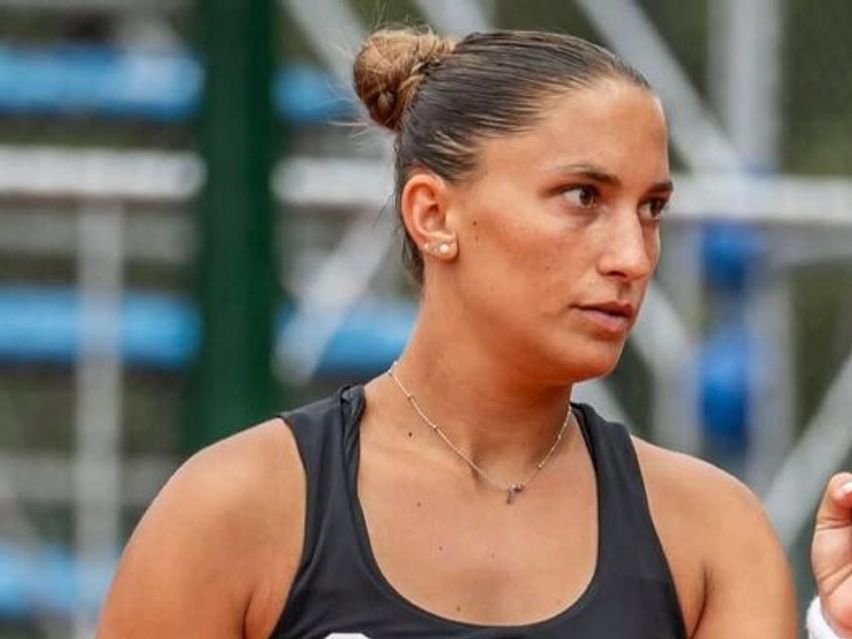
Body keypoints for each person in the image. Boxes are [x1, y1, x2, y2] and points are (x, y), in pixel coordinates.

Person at [97, 28, 852, 639]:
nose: (632, 256)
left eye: (651, 209)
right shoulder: (236, 510)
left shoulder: (710, 535)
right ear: (433, 214)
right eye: (582, 196)